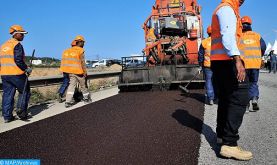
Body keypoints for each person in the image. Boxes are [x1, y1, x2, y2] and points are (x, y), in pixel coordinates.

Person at [210, 0, 253, 160]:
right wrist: (237, 60)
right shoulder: (227, 9)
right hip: (228, 61)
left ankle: (221, 136)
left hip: (220, 62)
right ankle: (229, 144)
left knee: (226, 100)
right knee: (240, 96)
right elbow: (227, 35)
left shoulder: (224, 8)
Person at [0, 25, 32, 123]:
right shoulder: (17, 45)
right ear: (16, 34)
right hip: (16, 74)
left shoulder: (3, 45)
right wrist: (26, 69)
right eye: (22, 34)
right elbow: (18, 60)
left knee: (8, 94)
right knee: (25, 91)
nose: (23, 36)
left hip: (5, 74)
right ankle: (21, 113)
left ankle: (7, 116)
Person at [240, 16, 266, 112]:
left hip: (244, 65)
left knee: (244, 85)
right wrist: (259, 55)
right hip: (255, 64)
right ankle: (254, 98)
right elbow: (263, 47)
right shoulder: (257, 36)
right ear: (250, 25)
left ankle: (246, 106)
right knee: (253, 83)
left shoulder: (239, 37)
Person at [60, 35, 91, 108]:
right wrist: (85, 72)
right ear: (79, 42)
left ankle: (68, 102)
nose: (84, 44)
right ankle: (86, 99)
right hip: (79, 72)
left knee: (71, 86)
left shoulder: (67, 51)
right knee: (83, 86)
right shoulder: (80, 50)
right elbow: (82, 63)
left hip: (70, 72)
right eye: (83, 42)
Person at [198, 26, 215, 105]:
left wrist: (200, 64)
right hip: (218, 65)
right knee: (218, 81)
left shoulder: (204, 42)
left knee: (208, 81)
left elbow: (201, 54)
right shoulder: (219, 41)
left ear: (208, 33)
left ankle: (210, 98)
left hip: (207, 65)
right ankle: (218, 97)